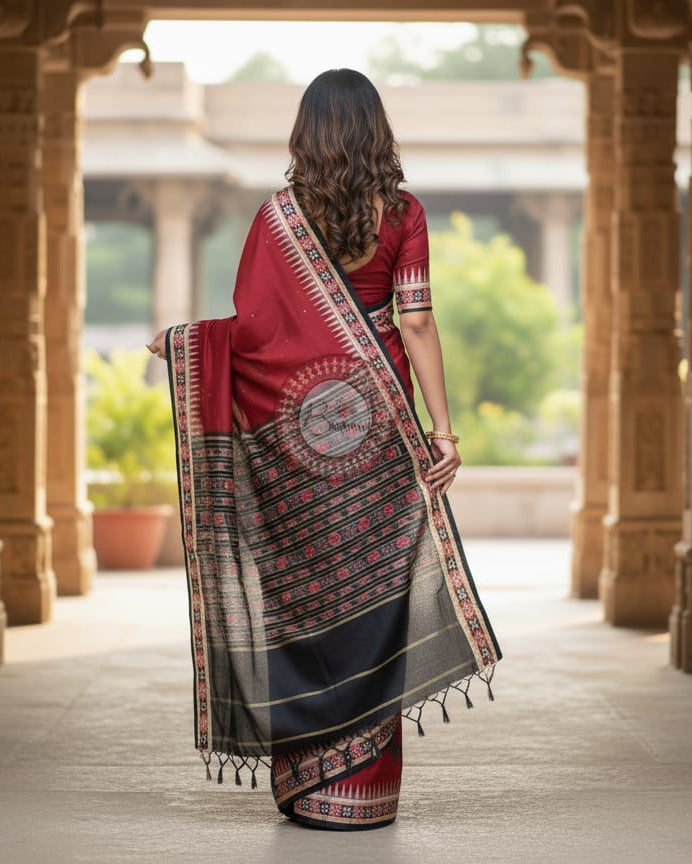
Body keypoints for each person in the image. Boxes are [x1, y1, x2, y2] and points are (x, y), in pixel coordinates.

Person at [148, 68, 501, 831]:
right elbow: (414, 324)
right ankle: (365, 791)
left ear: (306, 134)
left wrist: (185, 347)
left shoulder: (277, 218)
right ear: (378, 130)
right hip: (378, 439)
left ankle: (308, 785)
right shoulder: (402, 213)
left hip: (297, 448)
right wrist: (443, 431)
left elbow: (252, 336)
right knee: (373, 593)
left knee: (304, 593)